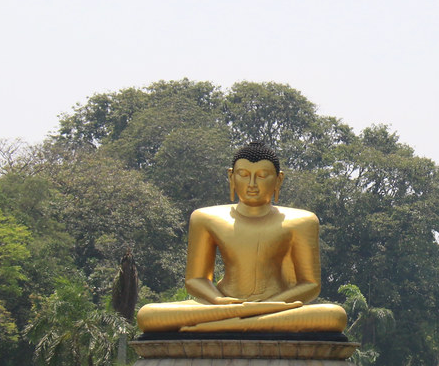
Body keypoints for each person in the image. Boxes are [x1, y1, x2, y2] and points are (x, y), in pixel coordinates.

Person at [136, 142, 347, 333]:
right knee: (148, 315)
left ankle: (221, 325)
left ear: (278, 179)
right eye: (244, 174)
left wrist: (266, 305)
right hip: (222, 305)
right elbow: (196, 279)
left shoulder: (301, 221)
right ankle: (241, 321)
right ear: (231, 176)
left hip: (277, 307)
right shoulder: (205, 218)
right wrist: (220, 300)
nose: (252, 183)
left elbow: (310, 285)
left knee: (333, 315)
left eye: (263, 175)